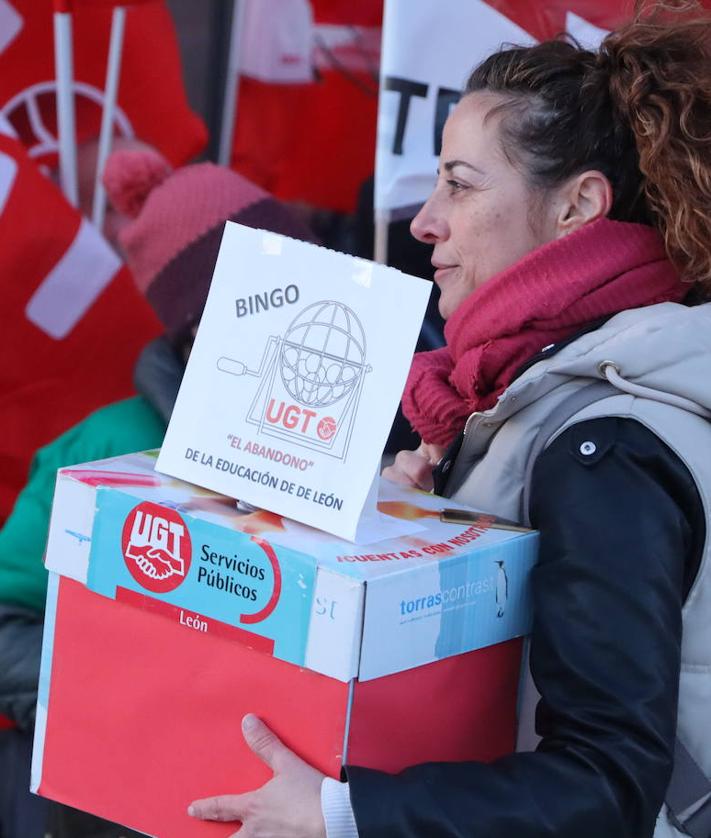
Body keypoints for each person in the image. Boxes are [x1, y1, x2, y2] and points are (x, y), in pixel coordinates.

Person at [187, 2, 711, 837]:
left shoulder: (600, 441)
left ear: (577, 206)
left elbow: (607, 784)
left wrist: (342, 813)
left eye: (459, 186)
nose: (424, 221)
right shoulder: (525, 393)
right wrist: (420, 529)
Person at [0, 149, 317, 838]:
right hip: (113, 806)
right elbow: (6, 619)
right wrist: (116, 699)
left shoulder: (361, 446)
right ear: (195, 328)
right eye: (266, 303)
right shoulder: (105, 450)